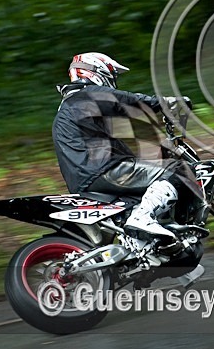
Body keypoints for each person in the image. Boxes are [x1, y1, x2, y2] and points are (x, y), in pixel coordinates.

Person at [52, 52, 195, 242]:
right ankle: (142, 218)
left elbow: (116, 148)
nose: (114, 82)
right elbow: (124, 101)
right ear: (95, 72)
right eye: (113, 76)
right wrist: (162, 103)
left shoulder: (73, 106)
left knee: (153, 180)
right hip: (101, 171)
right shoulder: (84, 95)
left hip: (88, 176)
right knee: (178, 170)